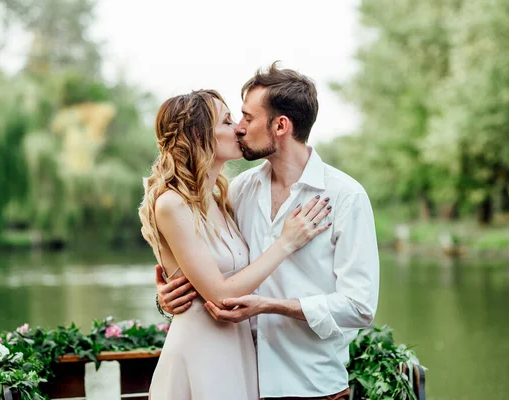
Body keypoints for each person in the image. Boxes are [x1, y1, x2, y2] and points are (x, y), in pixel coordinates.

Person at [156, 63, 380, 400]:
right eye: (234, 119)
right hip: (241, 380)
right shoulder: (238, 191)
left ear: (280, 125)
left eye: (247, 118)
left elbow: (360, 306)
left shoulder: (345, 197)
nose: (240, 128)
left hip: (311, 387)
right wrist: (166, 295)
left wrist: (271, 305)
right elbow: (208, 262)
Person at [139, 89, 333, 400]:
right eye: (228, 121)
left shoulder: (221, 200)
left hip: (238, 347)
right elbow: (219, 294)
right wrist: (286, 242)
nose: (239, 129)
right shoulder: (171, 205)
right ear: (198, 135)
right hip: (201, 350)